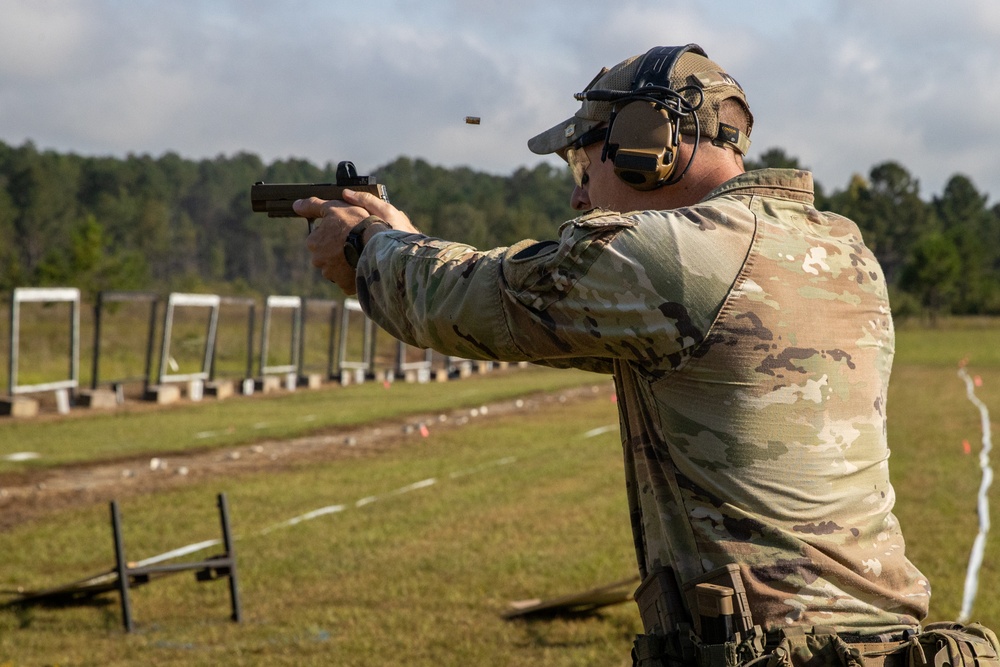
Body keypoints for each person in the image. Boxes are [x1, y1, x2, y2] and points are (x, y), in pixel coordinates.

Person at [297, 43, 994, 666]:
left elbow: (465, 300)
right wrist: (400, 239)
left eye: (582, 159)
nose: (577, 190)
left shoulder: (675, 257)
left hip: (778, 650)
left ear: (646, 142)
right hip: (878, 644)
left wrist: (367, 248)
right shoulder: (841, 248)